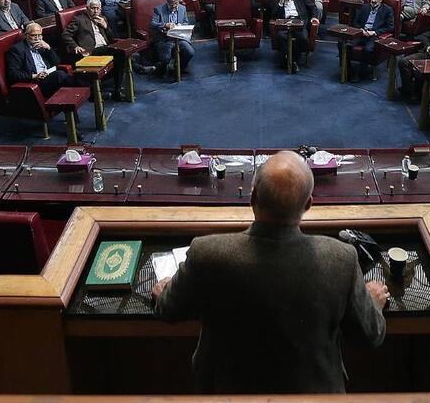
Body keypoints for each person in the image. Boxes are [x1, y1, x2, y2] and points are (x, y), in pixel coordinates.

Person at [152, 150, 386, 393]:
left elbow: (168, 309)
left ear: (252, 198)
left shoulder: (206, 253)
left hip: (225, 392)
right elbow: (370, 335)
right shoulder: (341, 259)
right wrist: (374, 301)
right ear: (308, 204)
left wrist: (163, 291)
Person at [62, 0, 125, 100]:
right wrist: (75, 46)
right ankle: (120, 87)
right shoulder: (79, 20)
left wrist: (105, 26)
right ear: (87, 8)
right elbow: (65, 34)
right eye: (93, 8)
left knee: (121, 57)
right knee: (120, 52)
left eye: (98, 8)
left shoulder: (103, 18)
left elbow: (111, 37)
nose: (95, 11)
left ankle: (118, 90)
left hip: (106, 48)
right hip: (91, 51)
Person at [5, 21, 74, 96]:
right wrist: (35, 76)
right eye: (34, 35)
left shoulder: (42, 45)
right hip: (35, 83)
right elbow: (13, 74)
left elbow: (57, 63)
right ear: (26, 35)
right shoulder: (17, 50)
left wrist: (49, 48)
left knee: (64, 75)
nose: (37, 38)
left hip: (49, 75)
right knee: (60, 75)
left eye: (39, 35)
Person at [268, 0, 320, 72]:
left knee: (303, 38)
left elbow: (313, 7)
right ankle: (291, 62)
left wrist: (314, 17)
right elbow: (274, 17)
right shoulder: (276, 2)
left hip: (298, 22)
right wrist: (281, 4)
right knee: (281, 36)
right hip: (285, 23)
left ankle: (291, 60)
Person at [349, 0, 394, 80]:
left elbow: (390, 27)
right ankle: (347, 69)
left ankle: (361, 73)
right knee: (344, 44)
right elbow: (355, 22)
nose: (373, 1)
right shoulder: (364, 7)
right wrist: (361, 30)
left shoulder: (387, 10)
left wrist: (374, 32)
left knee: (368, 49)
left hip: (374, 35)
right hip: (361, 33)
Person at [149, 0, 195, 75]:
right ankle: (161, 68)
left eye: (176, 3)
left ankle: (179, 68)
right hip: (165, 39)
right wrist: (165, 25)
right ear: (167, 1)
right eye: (171, 3)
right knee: (166, 58)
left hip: (179, 38)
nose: (174, 5)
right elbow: (152, 24)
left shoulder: (182, 8)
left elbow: (185, 22)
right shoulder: (158, 9)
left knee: (190, 52)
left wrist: (181, 25)